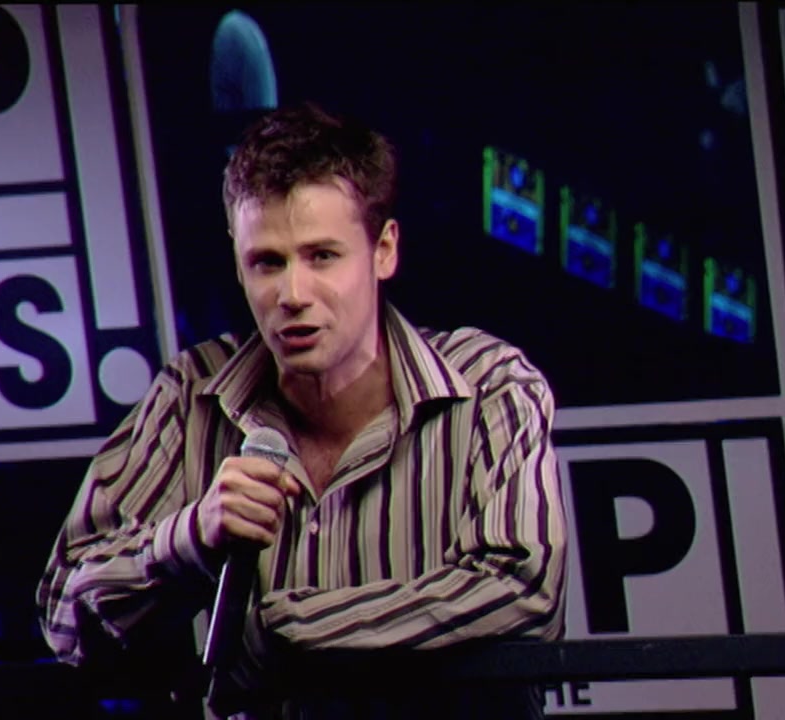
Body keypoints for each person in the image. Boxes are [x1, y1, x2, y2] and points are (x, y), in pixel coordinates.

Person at [36, 101, 567, 719]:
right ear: (238, 264)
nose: (292, 295)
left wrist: (286, 631)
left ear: (384, 250)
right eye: (268, 262)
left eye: (322, 256)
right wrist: (189, 538)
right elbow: (63, 619)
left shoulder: (489, 385)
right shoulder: (190, 395)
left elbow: (523, 585)